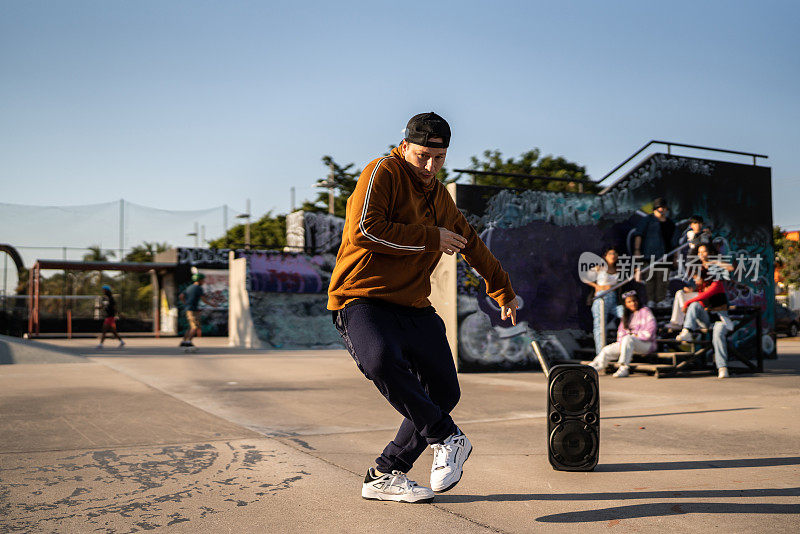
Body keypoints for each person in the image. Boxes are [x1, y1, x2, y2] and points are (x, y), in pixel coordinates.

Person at [328, 112, 519, 503]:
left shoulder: (439, 196)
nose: (431, 166)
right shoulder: (383, 172)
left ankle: (384, 474)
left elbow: (471, 243)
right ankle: (446, 436)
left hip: (413, 305)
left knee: (444, 391)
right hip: (361, 297)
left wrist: (503, 289)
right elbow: (364, 230)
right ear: (405, 146)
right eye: (423, 156)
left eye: (439, 158)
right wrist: (431, 238)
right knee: (379, 361)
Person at [675, 267, 734, 378]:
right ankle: (687, 330)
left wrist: (688, 302)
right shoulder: (701, 288)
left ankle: (722, 367)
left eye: (696, 277)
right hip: (707, 320)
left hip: (721, 320)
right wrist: (691, 296)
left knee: (717, 334)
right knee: (695, 305)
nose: (695, 280)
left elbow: (704, 296)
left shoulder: (717, 284)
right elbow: (700, 303)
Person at [589, 291, 656, 378]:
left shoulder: (645, 311)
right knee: (607, 350)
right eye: (629, 302)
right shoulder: (626, 315)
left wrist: (635, 335)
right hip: (628, 344)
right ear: (625, 304)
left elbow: (650, 331)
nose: (633, 303)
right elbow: (621, 333)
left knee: (628, 339)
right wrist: (623, 343)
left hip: (646, 344)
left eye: (634, 301)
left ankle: (623, 368)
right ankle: (596, 366)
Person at [633, 197, 676, 308]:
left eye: (663, 207)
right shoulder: (647, 220)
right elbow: (639, 235)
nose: (661, 210)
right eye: (659, 208)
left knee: (663, 279)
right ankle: (651, 300)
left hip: (666, 256)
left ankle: (661, 300)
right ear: (654, 209)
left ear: (666, 209)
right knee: (650, 278)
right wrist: (637, 250)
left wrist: (675, 257)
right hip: (649, 255)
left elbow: (674, 243)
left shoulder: (670, 224)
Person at [583, 246, 622, 353]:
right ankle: (600, 353)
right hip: (601, 298)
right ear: (605, 256)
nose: (613, 256)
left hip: (614, 299)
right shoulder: (600, 267)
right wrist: (596, 286)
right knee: (600, 327)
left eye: (615, 254)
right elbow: (585, 277)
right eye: (610, 254)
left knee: (624, 314)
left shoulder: (618, 268)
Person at [179, 273, 206, 348]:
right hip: (193, 309)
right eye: (203, 280)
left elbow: (181, 296)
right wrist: (212, 304)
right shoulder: (199, 288)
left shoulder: (189, 287)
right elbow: (203, 299)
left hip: (189, 309)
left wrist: (186, 303)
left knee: (191, 327)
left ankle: (184, 341)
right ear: (199, 280)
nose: (203, 282)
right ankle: (188, 342)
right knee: (195, 327)